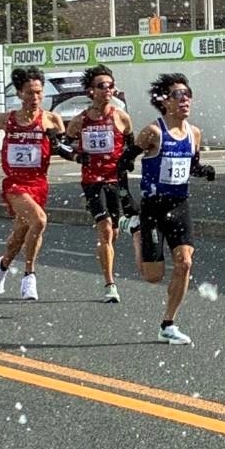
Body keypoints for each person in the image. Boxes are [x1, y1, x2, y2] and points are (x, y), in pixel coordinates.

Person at [117, 73, 216, 345]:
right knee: (153, 276)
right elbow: (123, 163)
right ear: (164, 102)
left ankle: (168, 324)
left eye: (187, 94)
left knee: (185, 263)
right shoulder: (153, 132)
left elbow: (192, 166)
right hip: (153, 208)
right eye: (177, 95)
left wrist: (204, 171)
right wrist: (126, 201)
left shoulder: (194, 134)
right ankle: (136, 231)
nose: (185, 99)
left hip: (179, 205)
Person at [0, 67, 70, 301]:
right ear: (20, 94)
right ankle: (29, 277)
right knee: (39, 220)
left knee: (21, 234)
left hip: (39, 183)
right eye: (30, 93)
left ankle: (0, 268)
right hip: (15, 184)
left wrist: (71, 151)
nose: (35, 97)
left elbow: (64, 149)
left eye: (39, 92)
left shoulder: (51, 120)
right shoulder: (5, 119)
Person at [64, 64, 136, 303]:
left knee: (113, 232)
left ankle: (107, 256)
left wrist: (128, 160)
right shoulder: (80, 121)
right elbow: (62, 145)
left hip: (115, 180)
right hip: (92, 181)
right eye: (102, 86)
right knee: (105, 228)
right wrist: (77, 156)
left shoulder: (121, 117)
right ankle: (110, 284)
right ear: (90, 91)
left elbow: (132, 145)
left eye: (110, 86)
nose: (107, 90)